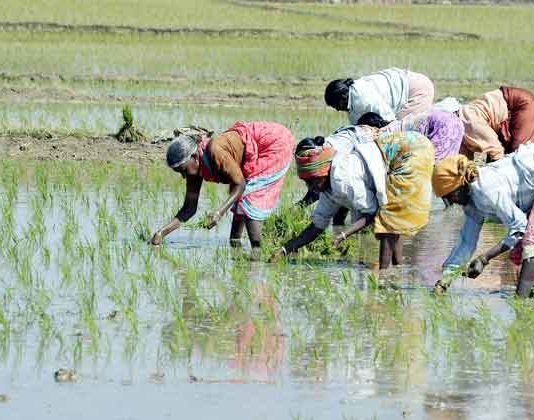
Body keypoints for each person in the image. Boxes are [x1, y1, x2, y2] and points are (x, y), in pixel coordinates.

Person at [270, 131, 434, 269]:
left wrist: (343, 235)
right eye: (306, 183)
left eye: (311, 182)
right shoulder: (328, 188)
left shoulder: (343, 179)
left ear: (322, 173)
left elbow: (371, 212)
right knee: (393, 221)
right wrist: (285, 249)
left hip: (409, 150)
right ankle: (397, 268)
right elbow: (316, 226)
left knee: (389, 220)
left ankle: (385, 276)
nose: (310, 187)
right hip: (396, 147)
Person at [150, 121, 295, 248]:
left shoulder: (215, 151)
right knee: (239, 203)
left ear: (194, 157)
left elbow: (240, 185)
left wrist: (219, 212)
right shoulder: (193, 169)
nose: (183, 176)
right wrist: (162, 233)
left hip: (273, 142)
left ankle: (257, 254)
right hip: (258, 147)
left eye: (183, 170)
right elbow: (189, 209)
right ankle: (235, 245)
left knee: (249, 200)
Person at [431, 145, 534, 296]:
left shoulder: (487, 188)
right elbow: (466, 243)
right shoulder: (471, 202)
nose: (453, 203)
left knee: (530, 244)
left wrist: (484, 258)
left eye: (451, 197)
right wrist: (444, 282)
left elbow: (519, 227)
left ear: (460, 186)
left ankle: (521, 304)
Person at [324, 68, 434, 125]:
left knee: (403, 130)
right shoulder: (352, 97)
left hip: (417, 89)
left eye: (336, 106)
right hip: (408, 82)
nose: (338, 110)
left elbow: (389, 122)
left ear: (343, 97)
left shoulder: (364, 99)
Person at [458, 86, 534, 161]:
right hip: (508, 108)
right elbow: (481, 152)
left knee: (519, 154)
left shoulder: (469, 123)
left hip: (520, 103)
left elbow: (496, 152)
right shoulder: (468, 136)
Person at [357, 110, 464, 161]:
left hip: (441, 124)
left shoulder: (384, 134)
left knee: (436, 167)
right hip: (450, 119)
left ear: (371, 127)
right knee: (449, 166)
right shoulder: (395, 124)